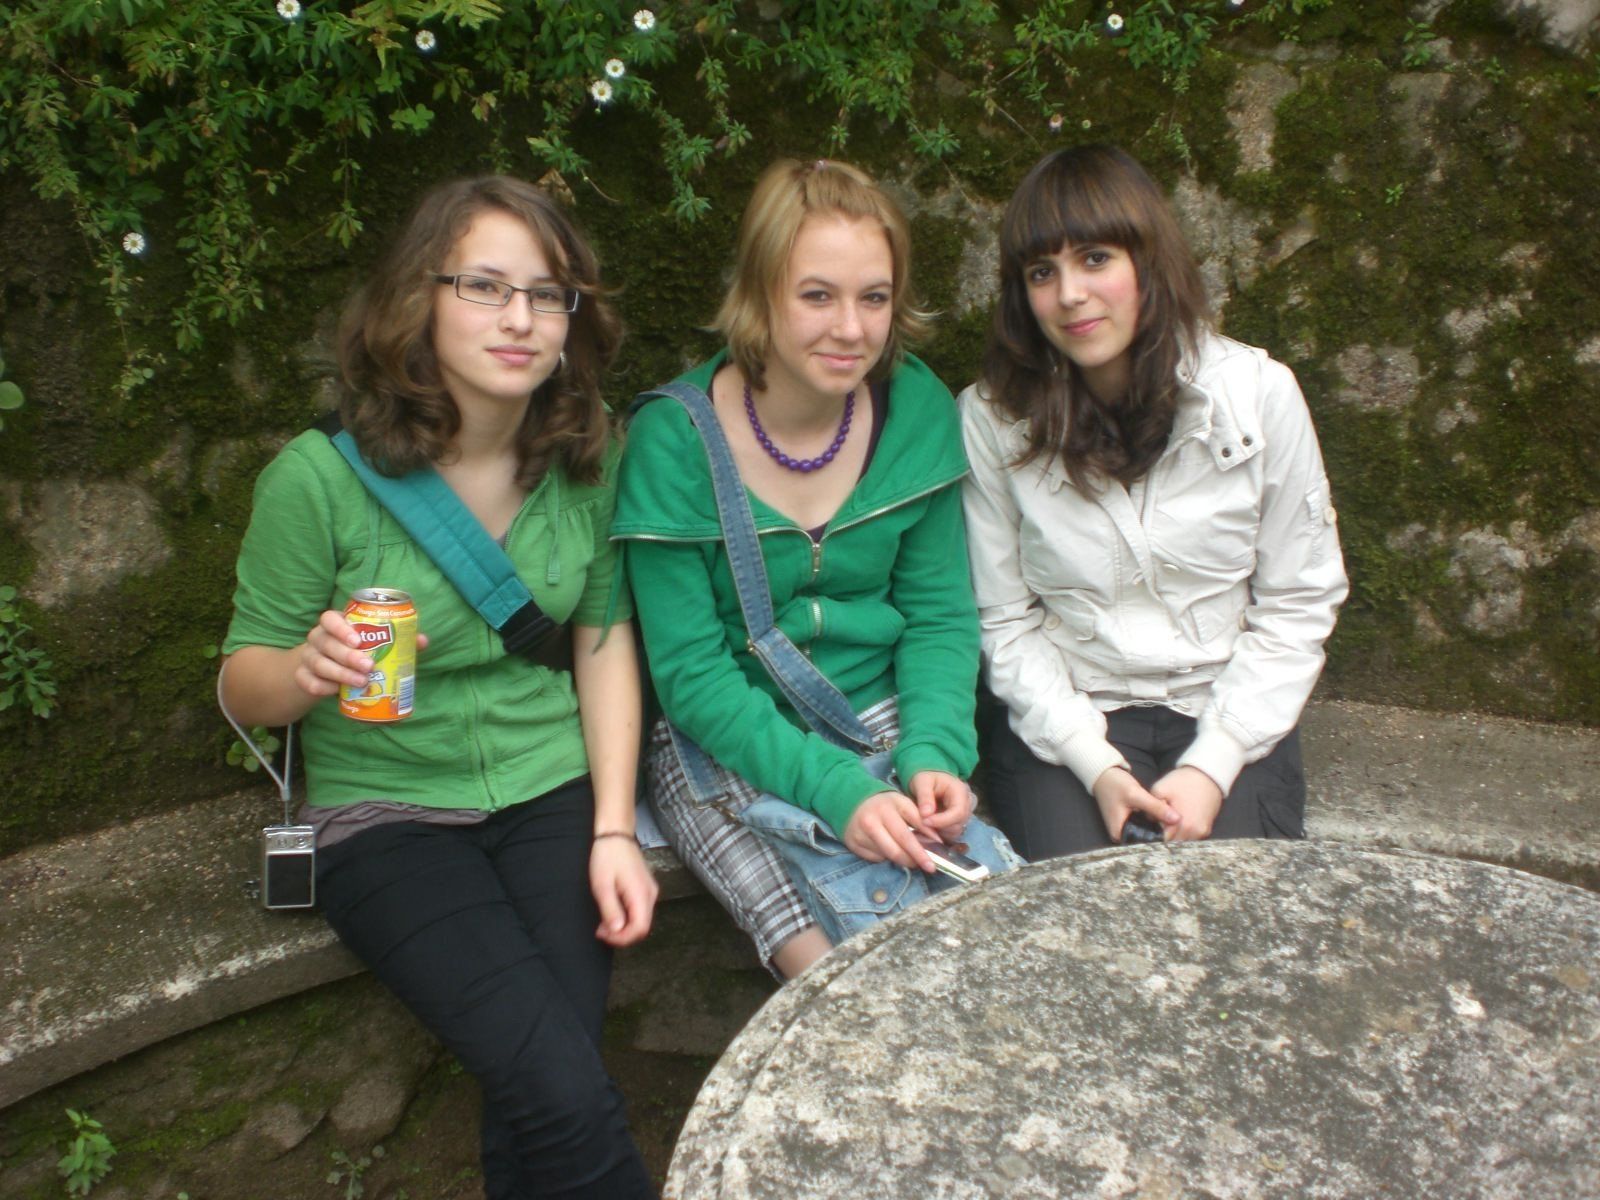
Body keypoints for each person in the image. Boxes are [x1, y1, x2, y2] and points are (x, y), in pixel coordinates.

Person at [219, 176, 657, 1199]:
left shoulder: (588, 461)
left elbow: (603, 645)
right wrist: (304, 671)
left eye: (546, 295)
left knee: (543, 1086)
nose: (519, 318)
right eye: (484, 286)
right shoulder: (317, 480)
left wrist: (613, 828)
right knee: (560, 1086)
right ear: (418, 299)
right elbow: (241, 686)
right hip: (386, 812)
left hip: (549, 788)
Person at [614, 158, 1016, 980]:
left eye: (874, 298)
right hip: (729, 734)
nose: (851, 329)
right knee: (838, 980)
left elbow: (939, 615)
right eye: (817, 296)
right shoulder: (673, 441)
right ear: (761, 294)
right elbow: (692, 676)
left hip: (887, 708)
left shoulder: (914, 409)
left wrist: (937, 751)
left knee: (986, 935)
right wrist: (839, 791)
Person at [961, 144, 1348, 860]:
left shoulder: (1259, 395)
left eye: (1096, 258)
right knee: (1078, 906)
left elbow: (1299, 600)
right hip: (1068, 715)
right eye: (1042, 272)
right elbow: (1004, 621)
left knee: (1228, 906)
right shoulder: (992, 419)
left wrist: (1213, 764)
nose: (1070, 294)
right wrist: (1097, 766)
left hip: (1225, 704)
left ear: (1148, 261)